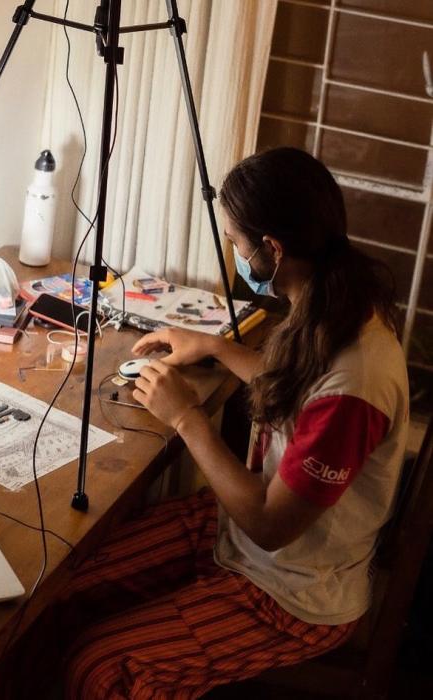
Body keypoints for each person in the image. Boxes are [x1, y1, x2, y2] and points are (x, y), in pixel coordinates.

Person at [58, 147, 409, 699]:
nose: (235, 254)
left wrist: (186, 417)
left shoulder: (355, 386)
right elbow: (301, 389)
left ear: (273, 248)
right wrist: (216, 348)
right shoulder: (332, 299)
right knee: (64, 587)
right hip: (241, 535)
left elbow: (271, 525)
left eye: (236, 242)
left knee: (106, 668)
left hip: (292, 589)